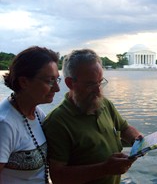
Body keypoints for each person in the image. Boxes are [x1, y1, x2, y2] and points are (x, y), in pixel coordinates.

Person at [42, 49, 143, 184]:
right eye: (90, 84)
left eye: (100, 82)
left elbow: (124, 128)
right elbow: (58, 176)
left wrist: (137, 139)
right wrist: (104, 169)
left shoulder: (104, 104)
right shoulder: (57, 122)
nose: (98, 90)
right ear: (70, 83)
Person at [0, 46, 61, 184]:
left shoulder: (36, 113)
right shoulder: (5, 124)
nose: (57, 88)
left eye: (57, 79)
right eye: (49, 80)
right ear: (24, 82)